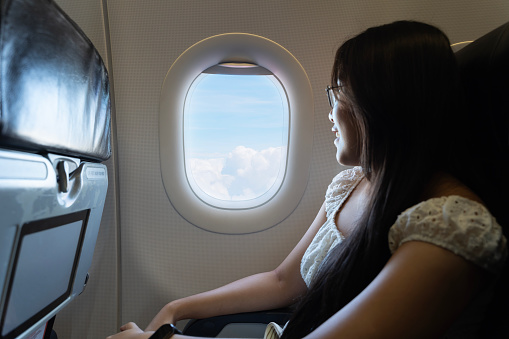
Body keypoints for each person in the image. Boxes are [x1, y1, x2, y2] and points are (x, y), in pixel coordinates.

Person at [107, 20, 507, 339]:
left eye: (339, 95)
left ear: (382, 105)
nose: (330, 114)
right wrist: (179, 308)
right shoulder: (354, 184)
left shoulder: (452, 227)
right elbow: (282, 281)